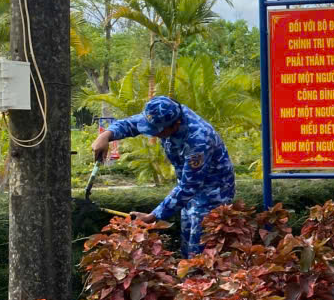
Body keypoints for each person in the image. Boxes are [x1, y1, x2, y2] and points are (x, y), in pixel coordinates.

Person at [91, 96, 235, 256]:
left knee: (202, 251)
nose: (154, 134)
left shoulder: (199, 140)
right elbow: (131, 124)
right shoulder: (162, 113)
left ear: (176, 125)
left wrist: (153, 216)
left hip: (213, 194)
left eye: (157, 131)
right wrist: (106, 135)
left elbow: (188, 187)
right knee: (187, 245)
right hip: (189, 191)